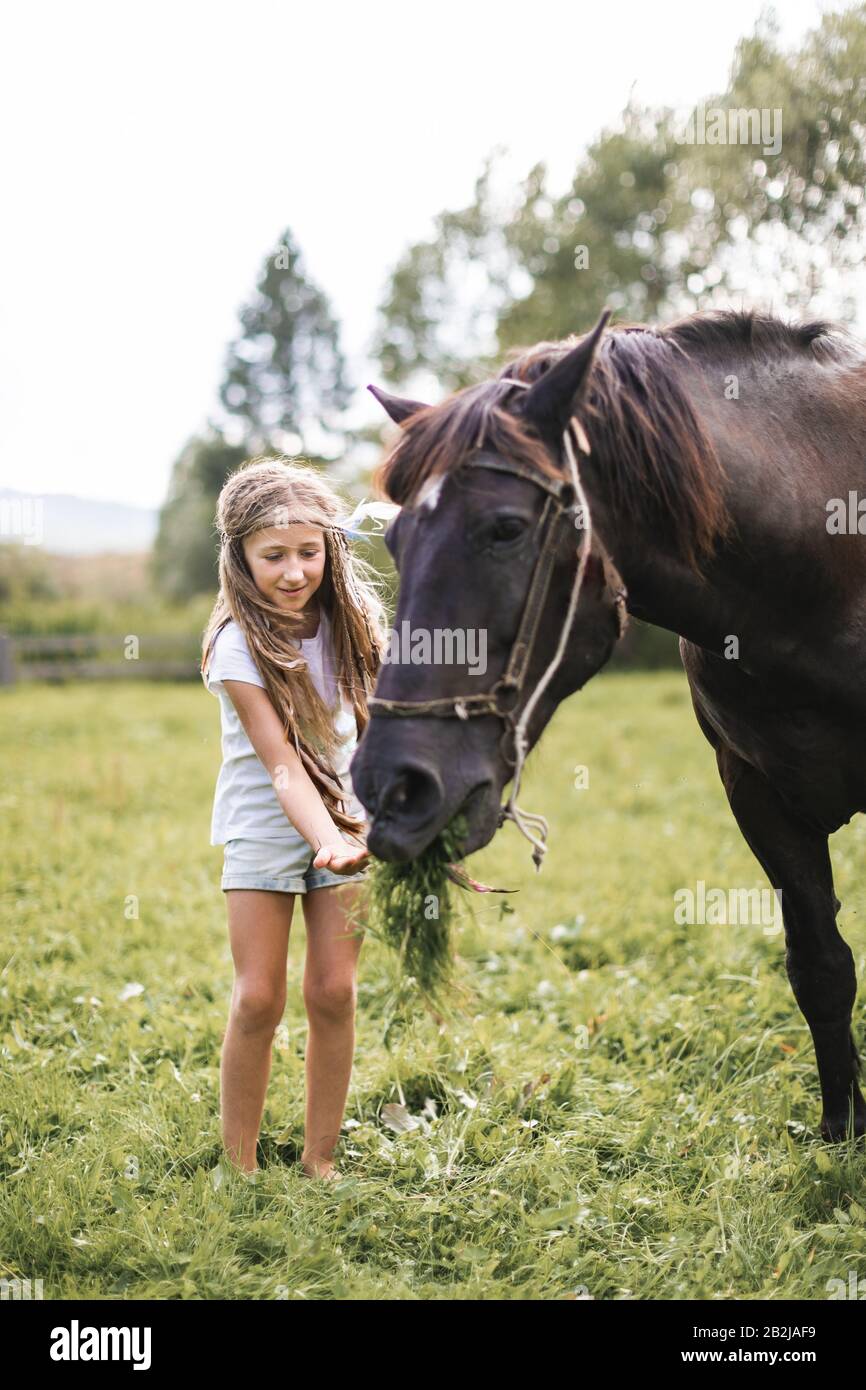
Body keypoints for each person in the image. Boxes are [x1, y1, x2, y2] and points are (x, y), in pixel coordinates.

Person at [200, 456, 390, 1181]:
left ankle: (320, 1159)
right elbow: (281, 762)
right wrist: (325, 841)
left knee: (334, 991)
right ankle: (239, 1165)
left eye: (308, 552)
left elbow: (381, 723)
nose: (293, 570)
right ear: (241, 557)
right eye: (272, 555)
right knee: (260, 996)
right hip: (267, 825)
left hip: (348, 822)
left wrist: (367, 822)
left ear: (331, 548)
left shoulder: (353, 623)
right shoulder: (237, 644)